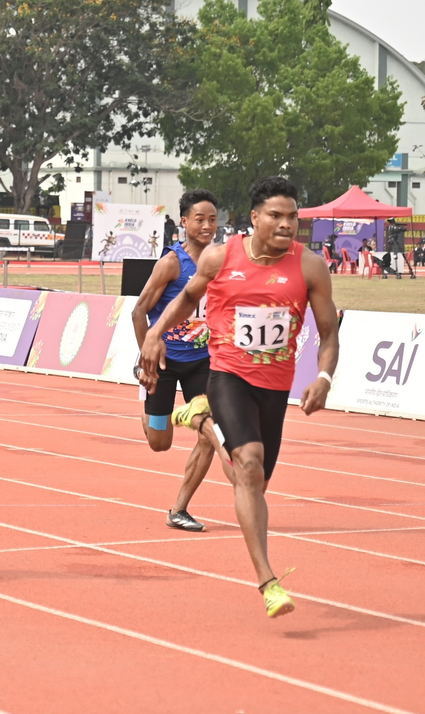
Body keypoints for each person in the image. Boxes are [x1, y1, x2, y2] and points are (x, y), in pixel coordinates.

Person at [141, 176, 340, 618]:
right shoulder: (219, 257)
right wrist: (155, 334)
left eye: (292, 216)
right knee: (247, 465)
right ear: (254, 218)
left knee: (253, 482)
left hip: (276, 384)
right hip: (227, 374)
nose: (286, 224)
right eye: (276, 215)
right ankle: (269, 582)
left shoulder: (309, 267)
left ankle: (199, 419)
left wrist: (324, 376)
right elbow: (186, 301)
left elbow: (329, 333)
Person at [131, 189, 230, 532]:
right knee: (160, 443)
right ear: (184, 222)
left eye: (213, 219)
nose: (207, 226)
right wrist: (147, 357)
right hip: (164, 363)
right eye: (199, 219)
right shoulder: (172, 263)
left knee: (209, 433)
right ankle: (150, 403)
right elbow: (139, 310)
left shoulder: (222, 261)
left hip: (204, 362)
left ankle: (179, 508)